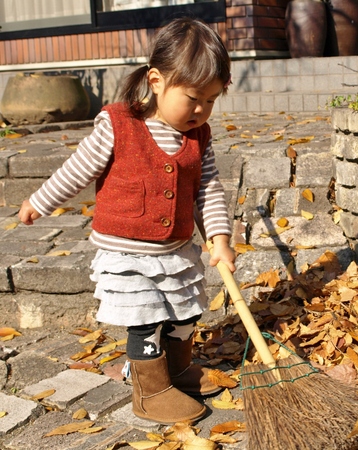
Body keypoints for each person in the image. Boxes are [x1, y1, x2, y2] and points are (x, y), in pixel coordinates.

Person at [18, 17, 236, 425]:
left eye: (211, 100)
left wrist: (220, 237)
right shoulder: (119, 125)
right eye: (192, 98)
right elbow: (76, 170)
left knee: (185, 313)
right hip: (129, 253)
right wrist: (39, 201)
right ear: (156, 81)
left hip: (175, 251)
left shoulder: (199, 138)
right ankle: (149, 390)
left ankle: (176, 371)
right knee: (147, 319)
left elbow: (208, 190)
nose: (202, 110)